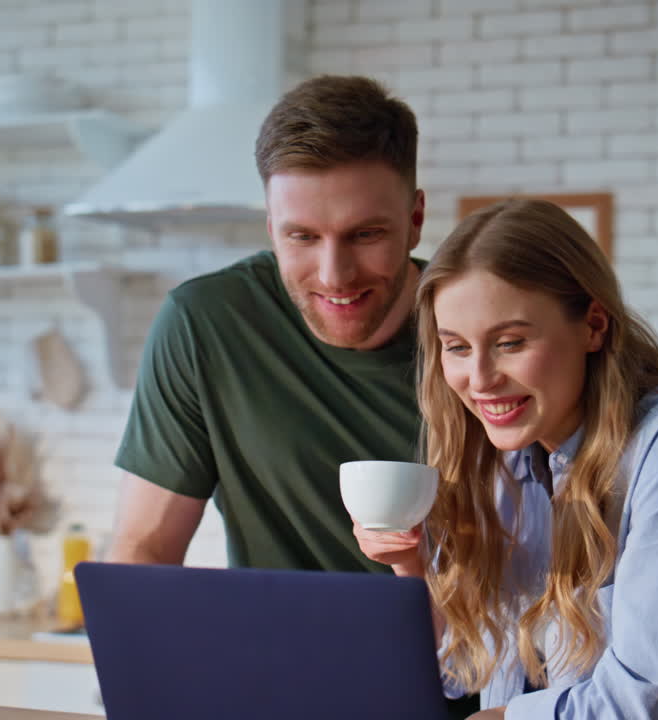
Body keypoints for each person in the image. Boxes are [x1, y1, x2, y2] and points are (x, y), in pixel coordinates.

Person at [106, 75, 479, 717]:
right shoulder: (208, 324)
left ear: (416, 219)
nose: (335, 276)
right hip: (271, 698)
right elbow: (145, 548)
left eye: (365, 234)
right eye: (302, 237)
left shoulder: (476, 335)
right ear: (270, 225)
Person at [354, 198, 658, 719]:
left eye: (510, 342)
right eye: (456, 347)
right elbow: (465, 667)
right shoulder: (512, 462)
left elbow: (657, 702)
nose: (479, 379)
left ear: (593, 325)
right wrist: (411, 563)